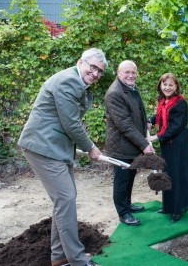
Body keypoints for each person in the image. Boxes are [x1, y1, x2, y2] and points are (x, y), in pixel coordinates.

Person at [18, 48, 106, 266]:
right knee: (65, 199)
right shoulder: (68, 81)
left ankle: (59, 256)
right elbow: (71, 123)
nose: (95, 74)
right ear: (80, 62)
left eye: (100, 72)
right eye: (92, 67)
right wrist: (90, 148)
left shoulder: (77, 83)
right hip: (42, 147)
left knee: (65, 199)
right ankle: (76, 260)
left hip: (55, 148)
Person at [104, 60, 154, 226]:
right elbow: (124, 125)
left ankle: (128, 204)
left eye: (133, 72)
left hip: (131, 145)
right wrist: (145, 145)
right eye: (127, 72)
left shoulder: (130, 88)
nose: (131, 75)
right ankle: (123, 213)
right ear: (119, 73)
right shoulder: (114, 93)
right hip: (121, 147)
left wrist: (145, 121)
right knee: (122, 180)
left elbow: (137, 110)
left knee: (130, 176)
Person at [147, 73, 188, 223]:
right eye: (164, 84)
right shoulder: (163, 101)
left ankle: (177, 209)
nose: (167, 87)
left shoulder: (180, 103)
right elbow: (160, 117)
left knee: (176, 174)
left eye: (170, 85)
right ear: (160, 85)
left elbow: (175, 126)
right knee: (166, 174)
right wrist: (150, 120)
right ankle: (168, 206)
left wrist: (156, 137)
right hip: (167, 144)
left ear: (176, 87)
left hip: (177, 144)